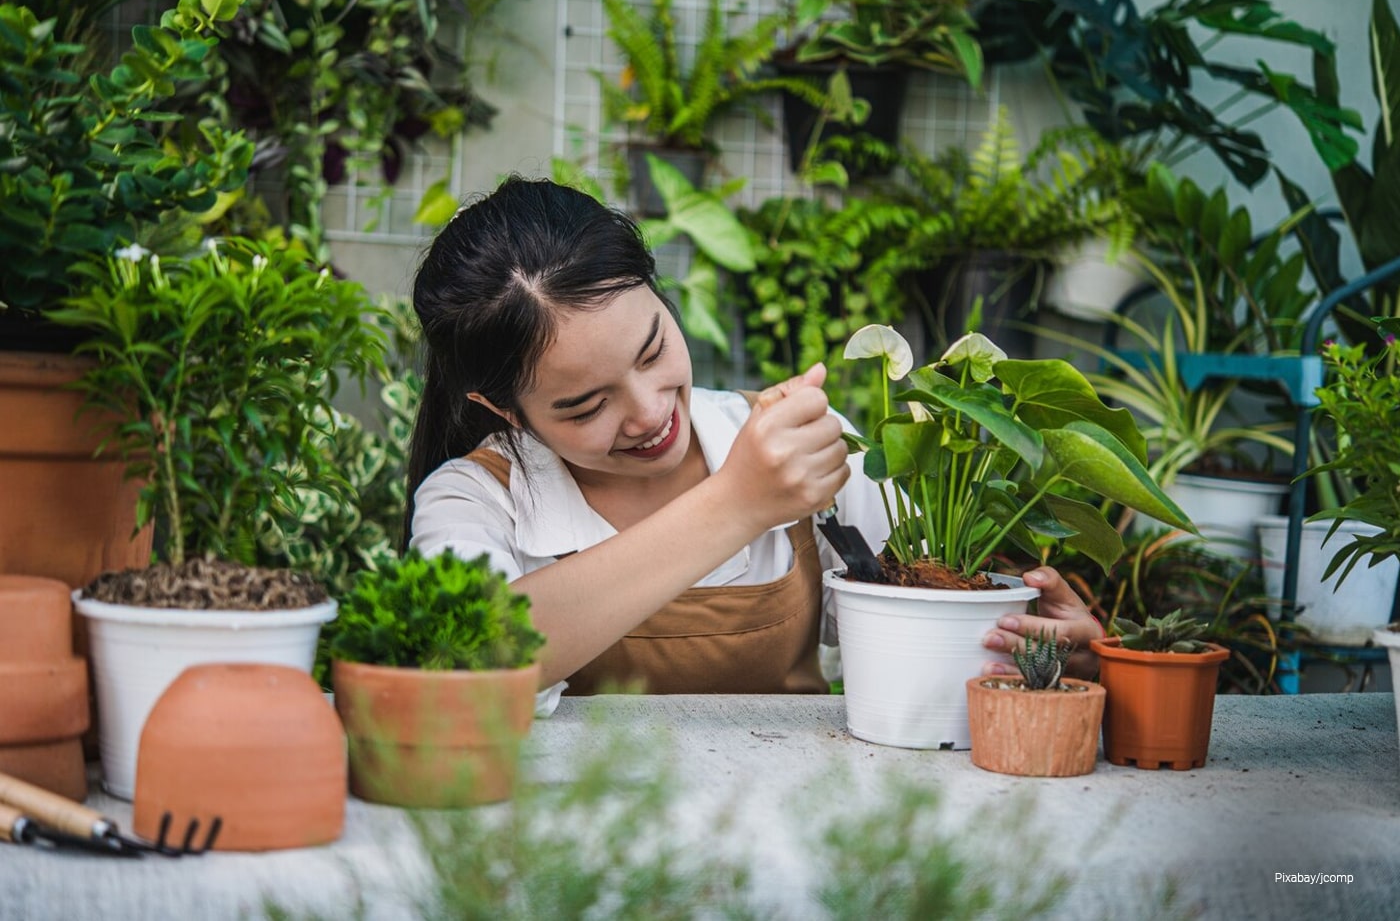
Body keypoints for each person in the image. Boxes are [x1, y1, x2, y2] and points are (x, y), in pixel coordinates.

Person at [405, 176, 1102, 713]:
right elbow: (470, 667)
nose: (649, 413)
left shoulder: (785, 448)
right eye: (587, 404)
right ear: (504, 409)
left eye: (653, 352)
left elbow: (928, 644)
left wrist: (1055, 652)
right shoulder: (472, 499)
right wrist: (735, 504)